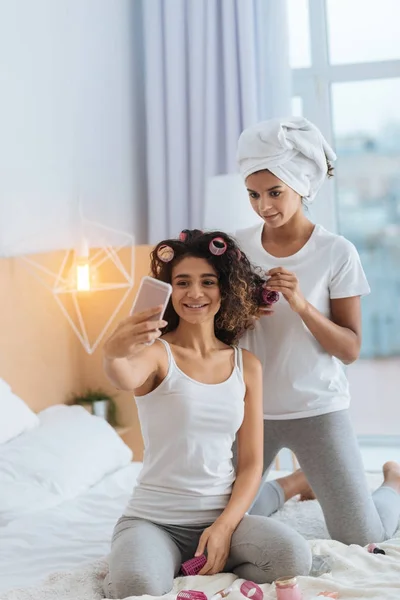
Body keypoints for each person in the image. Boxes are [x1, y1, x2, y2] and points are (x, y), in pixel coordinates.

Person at [102, 230, 311, 599]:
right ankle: (155, 559)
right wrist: (114, 352)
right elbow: (123, 374)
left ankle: (207, 555)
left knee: (292, 556)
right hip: (154, 521)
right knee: (137, 587)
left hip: (219, 516)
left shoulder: (247, 366)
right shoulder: (155, 355)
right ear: (170, 291)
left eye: (207, 282)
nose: (194, 293)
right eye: (182, 282)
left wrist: (225, 527)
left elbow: (249, 465)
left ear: (225, 289)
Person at [234, 116, 400, 546]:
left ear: (302, 186)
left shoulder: (336, 252)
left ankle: (395, 484)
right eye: (253, 194)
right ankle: (293, 484)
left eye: (275, 192)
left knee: (362, 536)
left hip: (318, 409)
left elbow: (349, 349)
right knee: (227, 524)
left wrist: (302, 305)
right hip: (252, 411)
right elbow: (221, 333)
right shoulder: (236, 248)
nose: (263, 205)